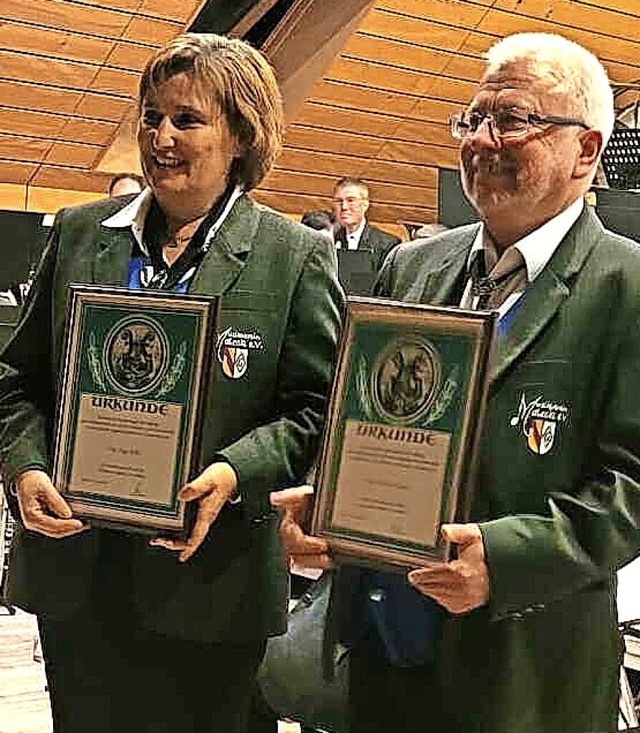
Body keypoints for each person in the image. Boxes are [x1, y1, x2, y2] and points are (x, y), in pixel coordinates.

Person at [271, 32, 640, 733]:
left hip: (523, 674)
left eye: (514, 119)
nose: (481, 139)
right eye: (473, 119)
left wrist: (504, 559)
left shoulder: (629, 285)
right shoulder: (410, 268)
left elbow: (634, 481)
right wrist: (330, 505)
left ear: (586, 151)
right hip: (378, 661)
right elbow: (372, 419)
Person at [0, 33, 343, 733]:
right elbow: (15, 379)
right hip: (81, 576)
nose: (160, 136)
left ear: (241, 136)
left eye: (187, 119)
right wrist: (26, 465)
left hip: (214, 587)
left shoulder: (294, 256)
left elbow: (319, 411)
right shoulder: (77, 232)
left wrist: (233, 470)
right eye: (152, 115)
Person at [332, 177, 400, 268]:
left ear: (365, 204)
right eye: (339, 201)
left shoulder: (387, 244)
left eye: (351, 200)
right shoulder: (329, 241)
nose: (344, 206)